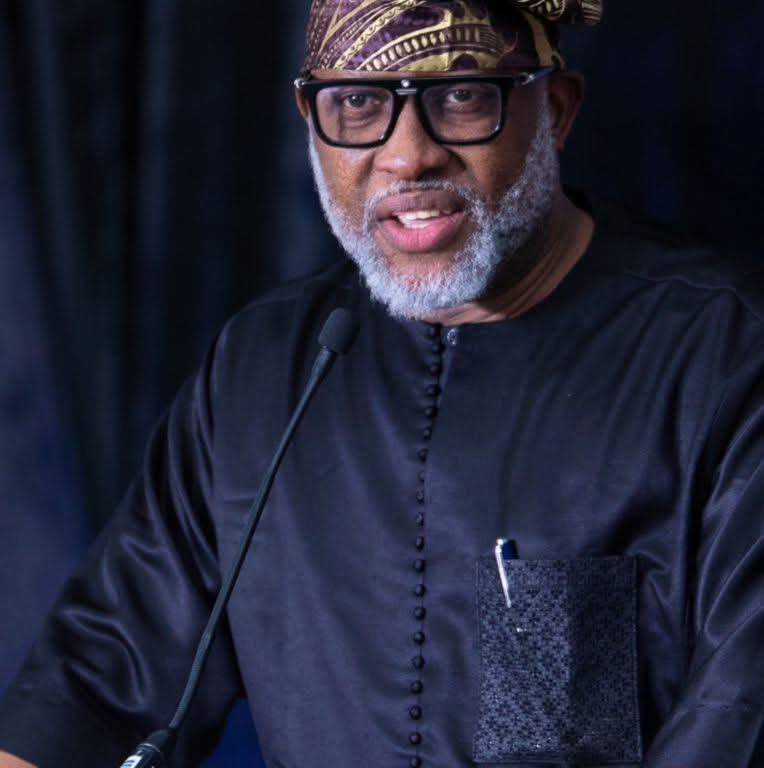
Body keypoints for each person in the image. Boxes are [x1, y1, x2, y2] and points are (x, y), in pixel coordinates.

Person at [1, 0, 763, 765]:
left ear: (555, 110)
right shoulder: (262, 369)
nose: (408, 157)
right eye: (359, 103)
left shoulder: (725, 355)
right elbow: (90, 695)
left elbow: (741, 712)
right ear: (311, 121)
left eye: (461, 97)